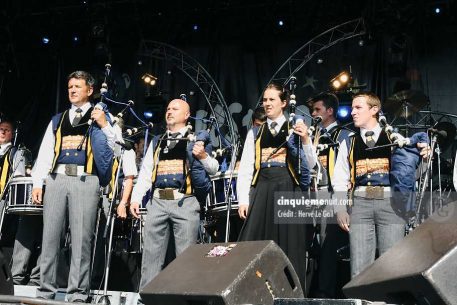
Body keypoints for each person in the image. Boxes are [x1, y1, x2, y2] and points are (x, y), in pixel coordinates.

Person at [32, 70, 116, 302]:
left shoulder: (100, 115)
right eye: (70, 87)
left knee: (81, 240)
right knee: (50, 238)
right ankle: (45, 292)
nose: (72, 90)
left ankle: (77, 294)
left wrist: (104, 125)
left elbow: (116, 148)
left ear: (90, 90)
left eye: (77, 87)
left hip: (85, 180)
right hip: (57, 179)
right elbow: (46, 152)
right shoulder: (57, 119)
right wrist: (38, 183)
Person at [332, 92, 429, 278]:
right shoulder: (348, 142)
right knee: (359, 265)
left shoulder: (394, 138)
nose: (353, 112)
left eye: (358, 107)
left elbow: (410, 173)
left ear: (374, 110)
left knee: (392, 263)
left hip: (390, 202)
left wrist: (424, 156)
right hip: (360, 202)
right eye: (352, 108)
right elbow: (340, 178)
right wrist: (340, 209)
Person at [130, 98, 219, 291]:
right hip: (158, 201)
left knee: (186, 258)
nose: (169, 111)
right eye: (168, 108)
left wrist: (203, 156)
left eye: (175, 109)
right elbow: (146, 173)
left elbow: (214, 169)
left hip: (185, 202)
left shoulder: (197, 140)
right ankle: (146, 299)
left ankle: (184, 298)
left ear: (187, 115)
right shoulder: (157, 140)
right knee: (151, 257)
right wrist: (136, 198)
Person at [236, 83, 315, 292]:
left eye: (272, 99)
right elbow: (245, 168)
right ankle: (252, 294)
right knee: (253, 244)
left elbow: (312, 163)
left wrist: (306, 139)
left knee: (290, 245)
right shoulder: (255, 132)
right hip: (262, 187)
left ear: (284, 102)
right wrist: (243, 199)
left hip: (288, 188)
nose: (267, 103)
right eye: (265, 99)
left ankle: (292, 295)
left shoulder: (295, 129)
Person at [308, 92, 351, 297]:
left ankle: (325, 292)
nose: (313, 113)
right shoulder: (310, 135)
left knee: (327, 245)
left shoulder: (344, 135)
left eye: (317, 109)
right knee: (309, 243)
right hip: (309, 193)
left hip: (329, 193)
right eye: (312, 110)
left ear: (330, 111)